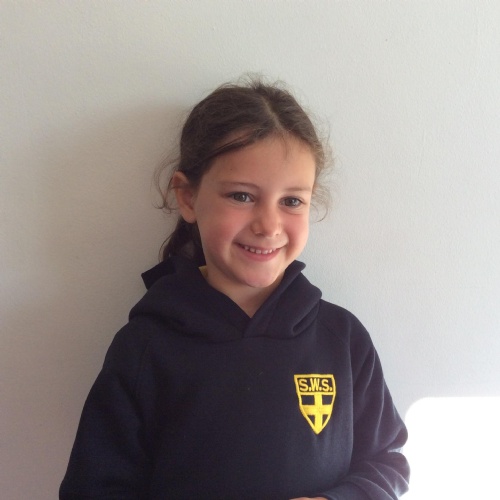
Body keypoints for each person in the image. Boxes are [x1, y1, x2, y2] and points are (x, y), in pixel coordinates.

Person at [60, 78, 410, 499]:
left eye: (292, 201)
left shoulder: (343, 339)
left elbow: (387, 461)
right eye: (242, 196)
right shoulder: (144, 348)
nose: (269, 225)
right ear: (187, 197)